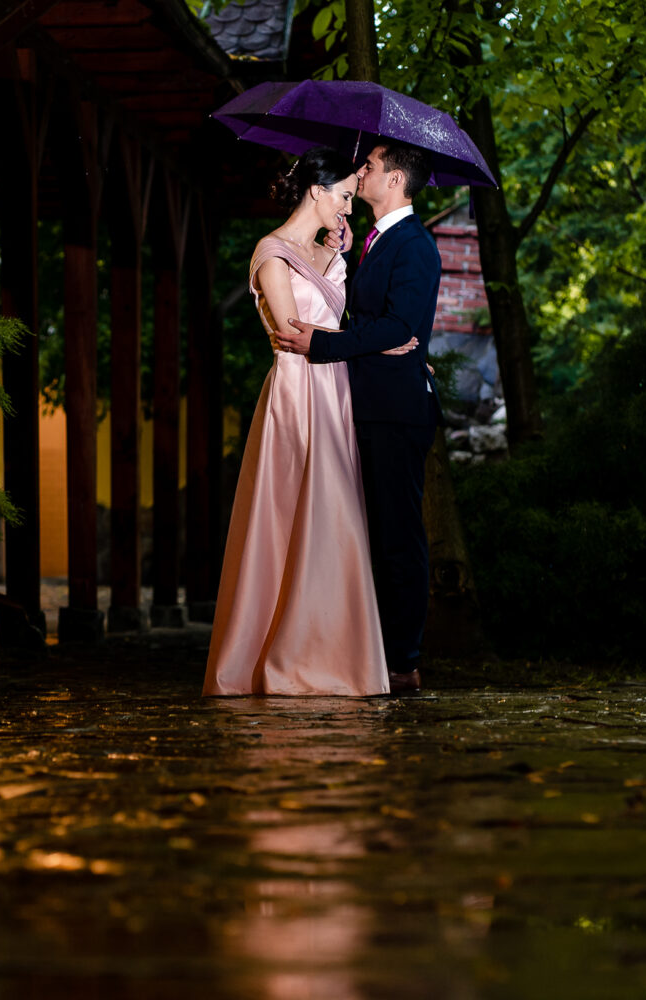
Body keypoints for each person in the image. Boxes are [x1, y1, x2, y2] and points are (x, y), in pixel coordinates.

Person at [203, 147, 416, 697]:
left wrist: (338, 265)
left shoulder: (329, 252)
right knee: (297, 517)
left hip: (336, 392)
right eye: (344, 196)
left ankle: (335, 649)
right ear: (317, 191)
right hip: (298, 391)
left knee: (337, 521)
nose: (348, 207)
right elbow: (292, 335)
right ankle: (286, 653)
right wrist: (376, 346)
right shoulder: (270, 254)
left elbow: (340, 326)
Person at [276, 140, 443, 694]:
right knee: (371, 534)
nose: (360, 173)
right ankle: (372, 650)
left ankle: (403, 660)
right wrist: (344, 255)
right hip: (367, 403)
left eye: (369, 167)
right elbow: (378, 320)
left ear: (395, 181)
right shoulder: (375, 240)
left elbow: (398, 327)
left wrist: (326, 344)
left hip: (396, 411)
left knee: (398, 535)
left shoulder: (414, 244)